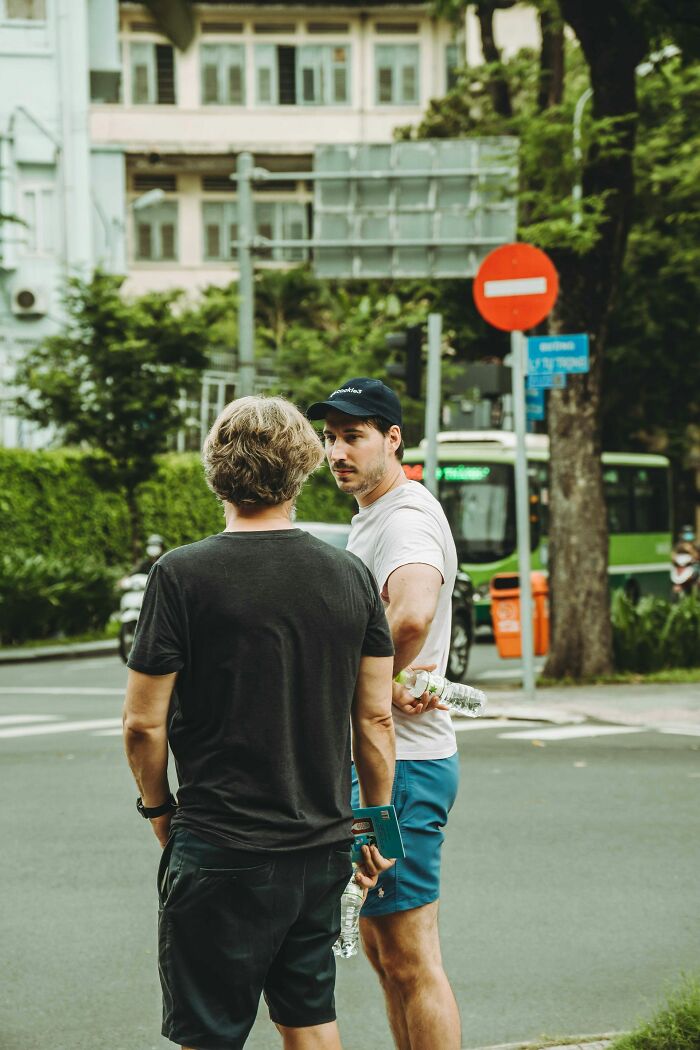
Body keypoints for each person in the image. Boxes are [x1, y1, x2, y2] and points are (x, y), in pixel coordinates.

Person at [123, 395, 396, 1050]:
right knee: (307, 1016)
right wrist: (377, 820)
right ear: (301, 471)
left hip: (222, 844)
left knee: (210, 1032)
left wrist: (159, 810)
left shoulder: (182, 575)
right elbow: (375, 717)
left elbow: (141, 724)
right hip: (321, 847)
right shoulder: (350, 576)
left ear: (216, 469)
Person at [307, 378, 461, 1050]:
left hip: (404, 765)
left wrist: (378, 682)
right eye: (331, 437)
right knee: (383, 955)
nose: (336, 450)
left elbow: (415, 609)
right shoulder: (377, 511)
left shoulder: (405, 518)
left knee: (408, 957)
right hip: (382, 760)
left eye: (353, 436)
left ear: (394, 438)